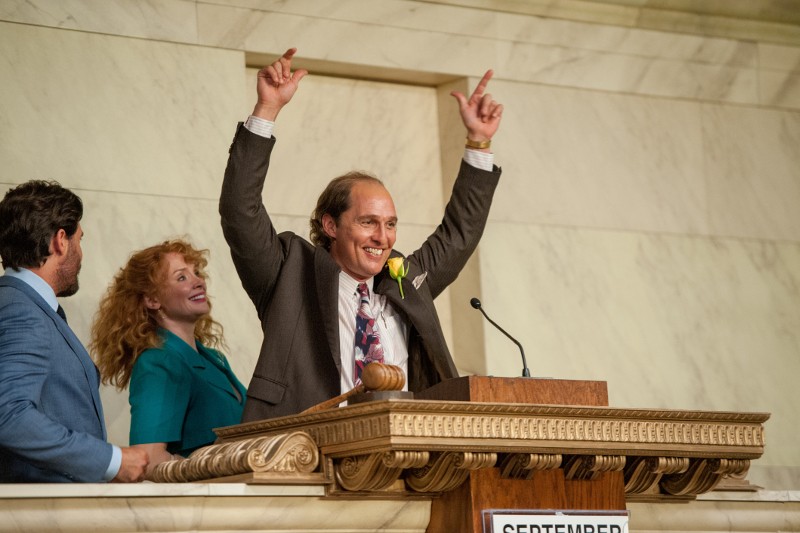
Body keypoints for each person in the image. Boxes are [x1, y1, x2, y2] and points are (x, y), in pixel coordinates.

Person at [220, 48, 503, 422]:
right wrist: (266, 111)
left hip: (406, 449)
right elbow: (241, 210)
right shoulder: (287, 271)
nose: (383, 237)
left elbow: (459, 233)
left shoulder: (406, 280)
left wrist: (478, 143)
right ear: (330, 225)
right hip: (307, 447)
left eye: (390, 224)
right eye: (368, 222)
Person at [0, 180, 149, 482]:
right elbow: (8, 416)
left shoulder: (20, 304)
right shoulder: (21, 310)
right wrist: (111, 461)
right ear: (60, 241)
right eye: (80, 240)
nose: (81, 253)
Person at [91, 240, 246, 473]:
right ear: (153, 300)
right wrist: (215, 470)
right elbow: (150, 459)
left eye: (196, 273)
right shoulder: (159, 362)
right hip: (206, 503)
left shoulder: (212, 358)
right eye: (181, 277)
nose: (199, 282)